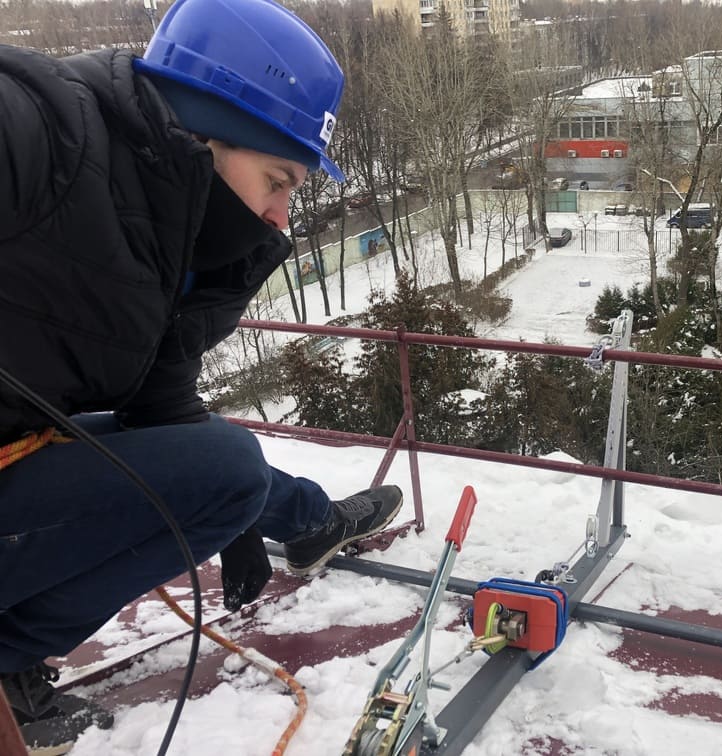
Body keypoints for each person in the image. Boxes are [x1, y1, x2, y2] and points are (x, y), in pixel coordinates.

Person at [0, 0, 402, 752]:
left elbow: (164, 403)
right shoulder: (49, 134)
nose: (282, 216)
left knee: (222, 467)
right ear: (199, 131)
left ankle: (14, 654)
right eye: (278, 180)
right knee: (224, 465)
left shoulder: (176, 227)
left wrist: (237, 513)